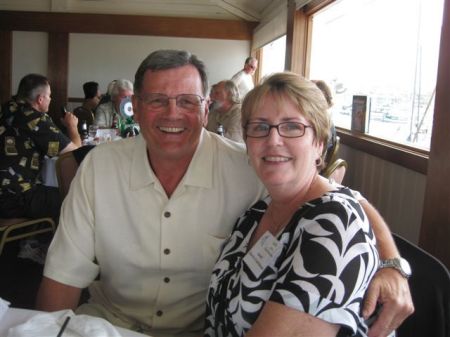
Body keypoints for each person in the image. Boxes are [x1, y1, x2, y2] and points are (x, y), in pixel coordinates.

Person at [36, 50, 413, 337]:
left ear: (205, 109)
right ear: (136, 107)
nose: (173, 114)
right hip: (111, 325)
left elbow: (339, 201)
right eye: (157, 101)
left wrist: (392, 263)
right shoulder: (101, 168)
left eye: (187, 101)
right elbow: (62, 279)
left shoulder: (246, 166)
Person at [205, 72, 380, 336]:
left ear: (319, 143)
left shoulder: (336, 224)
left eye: (292, 126)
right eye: (260, 127)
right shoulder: (255, 213)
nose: (273, 139)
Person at [0, 74, 81, 221]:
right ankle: (48, 242)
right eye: (49, 95)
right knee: (73, 199)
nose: (51, 99)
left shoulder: (6, 108)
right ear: (40, 99)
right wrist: (72, 127)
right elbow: (75, 153)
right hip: (14, 197)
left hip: (6, 193)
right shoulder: (36, 119)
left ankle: (29, 238)